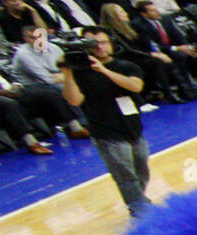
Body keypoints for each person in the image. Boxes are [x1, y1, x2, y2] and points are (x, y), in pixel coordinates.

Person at [60, 27, 152, 217]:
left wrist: (103, 70)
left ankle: (139, 200)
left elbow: (135, 86)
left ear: (110, 44)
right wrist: (67, 74)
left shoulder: (126, 65)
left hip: (132, 126)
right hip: (105, 130)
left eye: (102, 42)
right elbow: (74, 100)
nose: (99, 47)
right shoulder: (79, 73)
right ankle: (139, 207)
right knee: (124, 173)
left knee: (141, 168)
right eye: (93, 44)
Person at [132, 1, 197, 88]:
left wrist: (187, 46)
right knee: (180, 56)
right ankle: (187, 84)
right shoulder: (139, 25)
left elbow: (177, 35)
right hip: (160, 51)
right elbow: (152, 45)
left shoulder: (165, 18)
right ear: (144, 14)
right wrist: (177, 48)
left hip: (176, 47)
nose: (157, 12)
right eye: (152, 11)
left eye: (156, 9)